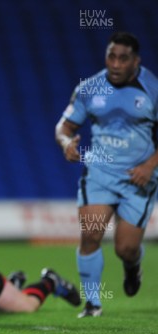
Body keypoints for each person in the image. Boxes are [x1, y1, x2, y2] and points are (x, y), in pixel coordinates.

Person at [55, 32, 158, 318]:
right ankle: (92, 304)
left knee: (125, 248)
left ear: (135, 61)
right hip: (99, 172)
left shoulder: (152, 88)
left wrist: (150, 165)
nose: (115, 64)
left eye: (122, 58)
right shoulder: (89, 88)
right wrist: (66, 144)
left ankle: (132, 265)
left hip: (138, 177)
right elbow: (63, 127)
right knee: (90, 234)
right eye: (111, 56)